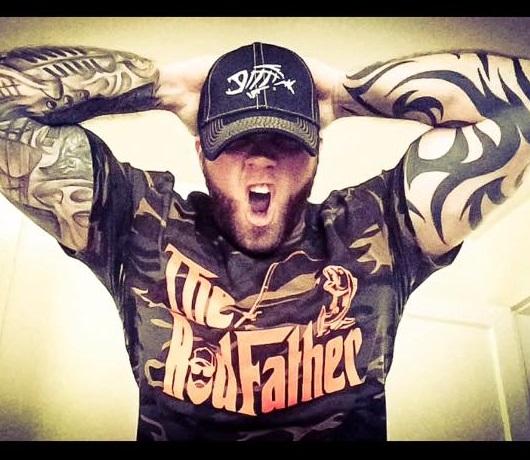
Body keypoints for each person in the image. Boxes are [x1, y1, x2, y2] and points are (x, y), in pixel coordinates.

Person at [0, 41, 528, 441]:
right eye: (234, 139)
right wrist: (166, 88)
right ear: (201, 151)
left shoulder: (378, 228)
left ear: (317, 151)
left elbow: (520, 107)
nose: (260, 160)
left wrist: (343, 93)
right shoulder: (140, 223)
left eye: (284, 138)